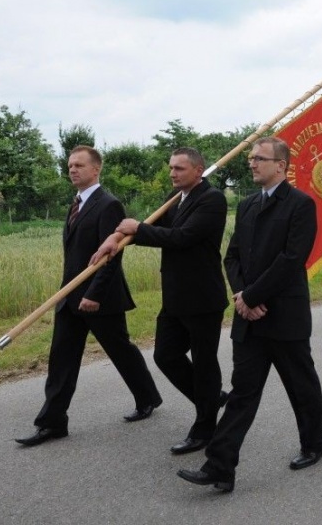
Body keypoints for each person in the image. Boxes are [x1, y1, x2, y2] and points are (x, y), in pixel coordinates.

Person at [178, 137, 322, 492]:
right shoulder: (246, 205)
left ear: (281, 166)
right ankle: (220, 466)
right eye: (251, 158)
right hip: (249, 318)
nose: (252, 163)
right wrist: (241, 295)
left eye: (260, 158)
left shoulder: (300, 204)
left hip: (284, 316)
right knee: (242, 393)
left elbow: (292, 260)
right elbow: (231, 256)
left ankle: (314, 443)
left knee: (301, 386)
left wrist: (253, 295)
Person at [15, 146, 161, 447]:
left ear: (96, 169)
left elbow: (112, 256)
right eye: (70, 165)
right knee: (61, 359)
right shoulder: (76, 204)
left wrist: (94, 294)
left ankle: (147, 397)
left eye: (79, 165)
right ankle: (52, 423)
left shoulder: (109, 205)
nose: (72, 170)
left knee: (120, 350)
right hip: (69, 296)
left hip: (100, 299)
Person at [92, 147, 228, 455]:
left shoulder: (212, 200)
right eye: (171, 168)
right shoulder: (175, 198)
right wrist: (117, 237)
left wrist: (138, 229)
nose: (172, 173)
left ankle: (204, 428)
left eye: (179, 168)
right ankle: (211, 400)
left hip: (203, 299)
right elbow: (154, 228)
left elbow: (181, 237)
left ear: (198, 170)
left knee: (205, 365)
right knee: (166, 356)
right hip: (175, 298)